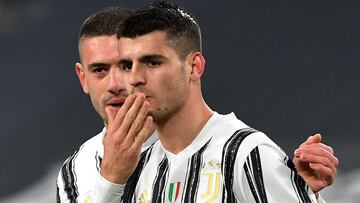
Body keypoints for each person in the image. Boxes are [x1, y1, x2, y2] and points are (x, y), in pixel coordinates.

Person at [56, 4, 338, 203]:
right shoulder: (137, 168)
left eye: (153, 62)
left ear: (194, 67)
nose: (133, 79)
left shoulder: (246, 155)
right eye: (129, 65)